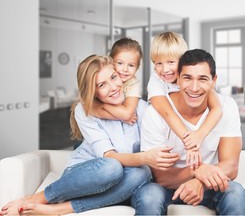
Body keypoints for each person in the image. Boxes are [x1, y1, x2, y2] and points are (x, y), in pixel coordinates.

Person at [0, 55, 179, 215]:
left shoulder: (141, 108)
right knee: (112, 167)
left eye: (113, 77)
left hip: (128, 182)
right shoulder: (85, 111)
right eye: (102, 85)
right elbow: (110, 157)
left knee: (147, 184)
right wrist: (145, 157)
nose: (113, 87)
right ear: (92, 91)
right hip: (90, 177)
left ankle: (61, 209)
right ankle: (38, 198)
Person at [132, 49, 245, 215]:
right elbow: (161, 178)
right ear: (178, 78)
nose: (194, 88)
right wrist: (197, 171)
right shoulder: (155, 113)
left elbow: (231, 166)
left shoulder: (227, 106)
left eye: (202, 79)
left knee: (235, 193)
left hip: (208, 185)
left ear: (213, 81)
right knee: (149, 196)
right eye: (187, 78)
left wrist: (200, 182)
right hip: (166, 189)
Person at [148, 32, 223, 169]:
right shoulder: (156, 82)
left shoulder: (194, 78)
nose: (165, 70)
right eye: (158, 63)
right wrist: (191, 145)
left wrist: (199, 135)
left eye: (171, 62)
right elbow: (167, 113)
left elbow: (217, 108)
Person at [92, 37, 143, 124]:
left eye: (131, 65)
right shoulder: (101, 75)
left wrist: (102, 105)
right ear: (111, 61)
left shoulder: (133, 85)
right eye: (120, 63)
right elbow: (91, 110)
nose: (125, 69)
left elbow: (127, 114)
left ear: (137, 68)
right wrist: (120, 118)